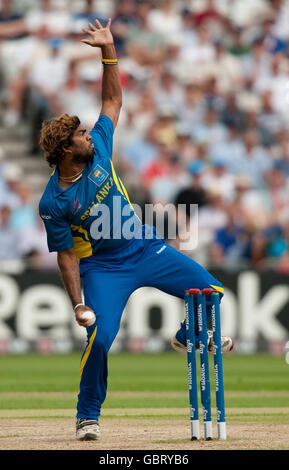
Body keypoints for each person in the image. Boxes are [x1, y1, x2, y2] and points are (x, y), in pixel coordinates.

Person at [39, 19, 232, 442]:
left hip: (146, 248)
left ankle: (187, 336)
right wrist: (76, 305)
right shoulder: (53, 202)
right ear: (66, 149)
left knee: (212, 295)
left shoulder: (100, 149)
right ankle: (87, 416)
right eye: (81, 134)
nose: (90, 134)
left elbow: (111, 101)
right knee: (101, 338)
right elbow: (66, 254)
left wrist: (109, 52)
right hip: (104, 268)